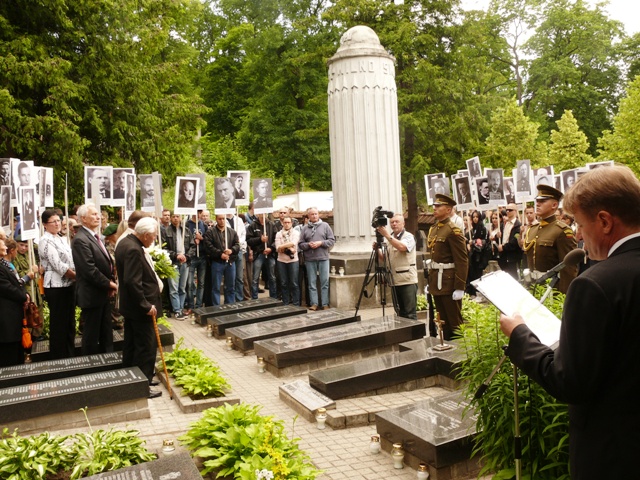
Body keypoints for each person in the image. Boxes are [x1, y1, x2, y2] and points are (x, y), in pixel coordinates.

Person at [499, 165, 640, 479]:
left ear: (604, 221)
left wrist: (520, 335)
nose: (576, 234)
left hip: (614, 455)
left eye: (578, 223)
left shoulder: (595, 284)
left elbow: (570, 383)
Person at [115, 217, 164, 399]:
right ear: (145, 235)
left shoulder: (126, 242)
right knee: (145, 346)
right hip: (140, 308)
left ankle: (132, 379)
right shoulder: (133, 249)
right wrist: (145, 305)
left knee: (131, 344)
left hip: (132, 307)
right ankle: (142, 385)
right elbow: (132, 281)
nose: (154, 240)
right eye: (153, 237)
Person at [72, 204, 117, 355]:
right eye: (94, 215)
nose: (99, 217)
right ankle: (90, 365)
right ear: (83, 219)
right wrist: (109, 284)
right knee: (91, 334)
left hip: (102, 292)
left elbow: (106, 262)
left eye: (99, 214)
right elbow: (89, 270)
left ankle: (108, 360)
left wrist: (109, 283)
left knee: (106, 330)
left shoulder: (95, 236)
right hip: (92, 294)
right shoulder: (81, 240)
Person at [426, 194, 468, 339]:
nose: (435, 208)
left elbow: (462, 260)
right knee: (442, 321)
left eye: (439, 206)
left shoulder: (453, 230)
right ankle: (447, 348)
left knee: (454, 322)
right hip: (437, 282)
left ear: (449, 209)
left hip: (449, 282)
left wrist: (460, 287)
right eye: (435, 205)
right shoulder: (434, 229)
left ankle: (460, 355)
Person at [522, 185, 577, 294]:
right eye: (537, 200)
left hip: (552, 291)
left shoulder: (562, 231)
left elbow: (568, 269)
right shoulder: (532, 230)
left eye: (542, 201)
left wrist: (564, 297)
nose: (537, 204)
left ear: (554, 205)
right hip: (532, 288)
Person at [39, 210, 77, 358]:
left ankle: (70, 352)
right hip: (55, 285)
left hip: (69, 284)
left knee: (70, 321)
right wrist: (77, 277)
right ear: (44, 225)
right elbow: (58, 265)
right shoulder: (44, 241)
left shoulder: (62, 238)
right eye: (52, 221)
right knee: (59, 322)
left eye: (58, 220)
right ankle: (58, 355)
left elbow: (71, 260)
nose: (57, 224)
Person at [374, 214, 418, 319]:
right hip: (394, 281)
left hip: (407, 280)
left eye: (397, 222)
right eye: (392, 222)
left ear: (403, 223)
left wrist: (387, 236)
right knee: (399, 313)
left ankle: (414, 335)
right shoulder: (391, 239)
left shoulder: (408, 236)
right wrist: (377, 250)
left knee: (409, 313)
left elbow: (402, 247)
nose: (394, 224)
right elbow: (385, 258)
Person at [299, 207, 335, 310]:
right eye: (312, 214)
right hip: (310, 259)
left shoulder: (325, 226)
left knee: (324, 282)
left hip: (323, 258)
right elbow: (300, 244)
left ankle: (325, 304)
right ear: (308, 216)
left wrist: (321, 243)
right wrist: (308, 245)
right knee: (311, 282)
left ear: (318, 215)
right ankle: (314, 303)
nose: (314, 216)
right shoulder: (305, 228)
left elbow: (332, 241)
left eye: (316, 214)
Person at [0, 238, 28, 367]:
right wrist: (23, 296)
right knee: (9, 354)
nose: (5, 248)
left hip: (13, 315)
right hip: (6, 317)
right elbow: (7, 288)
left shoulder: (5, 266)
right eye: (2, 246)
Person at [163, 213, 195, 319]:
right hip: (173, 263)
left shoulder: (187, 230)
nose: (176, 218)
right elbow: (164, 248)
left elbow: (192, 246)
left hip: (185, 262)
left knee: (182, 287)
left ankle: (181, 309)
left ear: (181, 218)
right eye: (174, 216)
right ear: (171, 218)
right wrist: (176, 255)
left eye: (177, 216)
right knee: (173, 288)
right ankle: (176, 310)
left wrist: (186, 256)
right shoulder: (166, 231)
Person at [203, 214, 240, 305]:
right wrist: (220, 254)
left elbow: (237, 245)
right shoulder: (210, 232)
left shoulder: (232, 232)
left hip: (230, 262)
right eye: (220, 219)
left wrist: (232, 250)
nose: (222, 221)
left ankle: (230, 305)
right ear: (216, 219)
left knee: (230, 286)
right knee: (216, 287)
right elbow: (208, 247)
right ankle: (216, 307)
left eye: (223, 219)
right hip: (217, 262)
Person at [246, 213, 277, 299]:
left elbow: (276, 239)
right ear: (257, 214)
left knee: (272, 277)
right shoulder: (252, 225)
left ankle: (273, 297)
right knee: (255, 278)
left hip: (270, 254)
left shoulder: (272, 224)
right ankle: (255, 298)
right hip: (258, 254)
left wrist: (271, 248)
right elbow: (248, 240)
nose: (262, 214)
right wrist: (260, 239)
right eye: (260, 213)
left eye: (264, 213)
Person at [275, 215, 301, 306]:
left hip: (293, 261)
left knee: (294, 283)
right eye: (285, 222)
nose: (286, 224)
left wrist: (283, 246)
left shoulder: (295, 232)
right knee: (283, 283)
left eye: (288, 222)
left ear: (291, 223)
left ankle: (296, 303)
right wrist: (289, 248)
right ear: (282, 223)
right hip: (281, 261)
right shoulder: (278, 234)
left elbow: (294, 242)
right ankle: (285, 302)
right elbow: (278, 248)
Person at [185, 212, 208, 311]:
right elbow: (185, 239)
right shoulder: (187, 224)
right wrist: (193, 240)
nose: (198, 214)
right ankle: (190, 305)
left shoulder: (204, 225)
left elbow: (208, 240)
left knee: (201, 283)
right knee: (190, 283)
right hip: (191, 257)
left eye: (200, 212)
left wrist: (201, 238)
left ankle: (198, 305)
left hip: (202, 257)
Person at [466, 210, 488, 296]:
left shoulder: (483, 229)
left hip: (480, 256)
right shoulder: (472, 230)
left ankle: (479, 292)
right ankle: (471, 292)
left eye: (476, 217)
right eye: (473, 217)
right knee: (471, 273)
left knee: (478, 274)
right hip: (472, 256)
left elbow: (484, 242)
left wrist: (474, 242)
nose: (475, 219)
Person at [497, 203, 522, 279]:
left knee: (514, 278)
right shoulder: (503, 224)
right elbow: (500, 237)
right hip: (503, 256)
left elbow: (515, 241)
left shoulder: (518, 225)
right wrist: (497, 236)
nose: (507, 211)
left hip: (512, 257)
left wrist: (504, 247)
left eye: (510, 210)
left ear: (515, 211)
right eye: (506, 210)